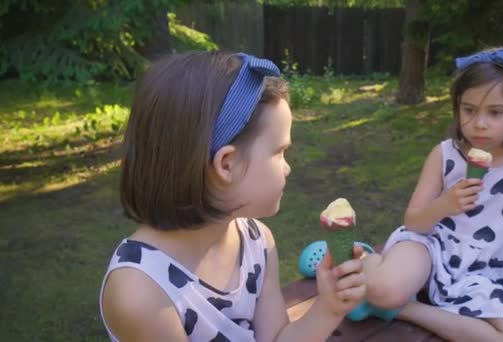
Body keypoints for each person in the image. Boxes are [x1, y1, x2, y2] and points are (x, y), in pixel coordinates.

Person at [99, 51, 366, 342]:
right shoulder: (142, 291)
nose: (288, 167)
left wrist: (329, 307)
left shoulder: (256, 241)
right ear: (227, 164)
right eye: (280, 152)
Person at [362, 47, 503, 341]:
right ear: (457, 107)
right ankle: (368, 262)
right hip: (430, 248)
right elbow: (414, 223)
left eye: (496, 112)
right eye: (469, 110)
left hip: (483, 273)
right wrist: (444, 205)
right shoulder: (445, 154)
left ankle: (404, 309)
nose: (480, 123)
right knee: (382, 289)